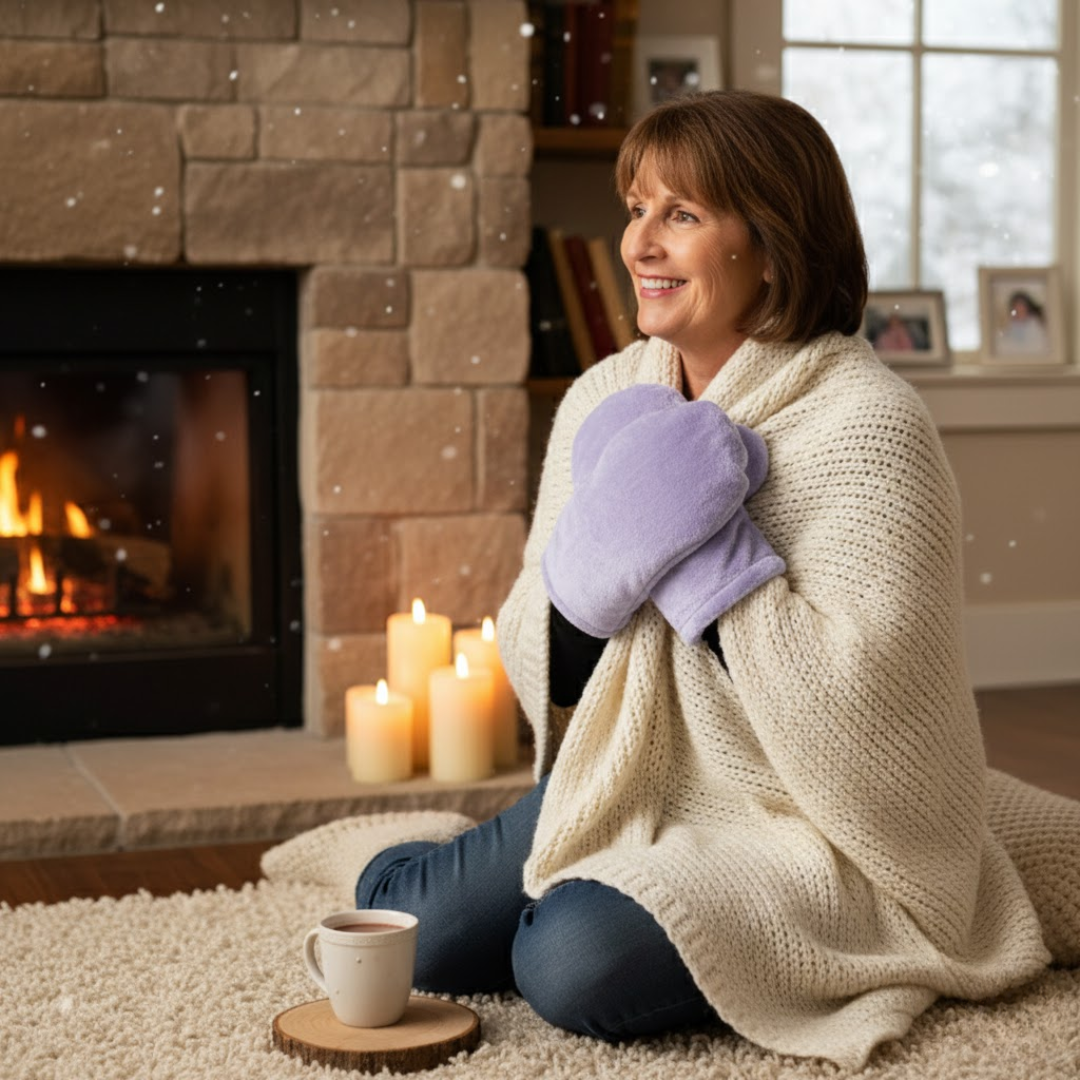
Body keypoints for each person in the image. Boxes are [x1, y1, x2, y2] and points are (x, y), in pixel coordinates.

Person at [262, 90, 1080, 1069]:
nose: (639, 243)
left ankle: (554, 891)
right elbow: (541, 656)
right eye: (636, 208)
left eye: (681, 215)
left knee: (570, 964)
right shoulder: (605, 398)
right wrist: (596, 576)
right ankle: (420, 849)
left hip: (796, 823)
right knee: (421, 934)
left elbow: (873, 707)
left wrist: (710, 557)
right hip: (617, 775)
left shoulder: (868, 425)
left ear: (773, 244)